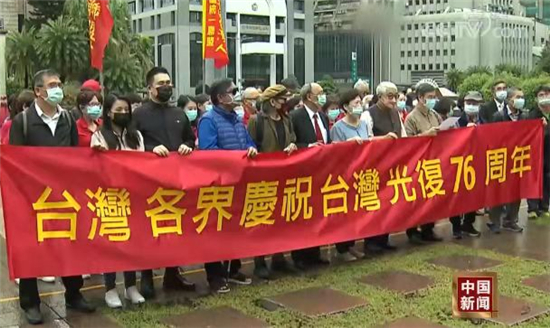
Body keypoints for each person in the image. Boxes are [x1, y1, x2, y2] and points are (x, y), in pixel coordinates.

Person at [9, 69, 95, 325]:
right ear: (38, 91)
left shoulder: (68, 119)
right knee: (32, 249)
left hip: (64, 195)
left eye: (59, 84)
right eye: (53, 85)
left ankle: (74, 292)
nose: (58, 88)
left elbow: (73, 158)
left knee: (69, 244)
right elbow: (15, 163)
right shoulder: (22, 122)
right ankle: (31, 302)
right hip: (33, 199)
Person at [133, 67, 196, 299]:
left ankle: (173, 274)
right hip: (150, 183)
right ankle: (147, 276)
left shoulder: (177, 113)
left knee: (176, 228)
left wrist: (188, 146)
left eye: (169, 82)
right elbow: (131, 143)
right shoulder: (139, 114)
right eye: (161, 83)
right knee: (150, 228)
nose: (166, 87)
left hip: (177, 182)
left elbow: (190, 138)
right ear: (150, 87)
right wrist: (149, 150)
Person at [198, 78, 256, 293]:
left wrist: (250, 150)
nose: (237, 94)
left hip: (238, 183)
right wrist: (234, 158)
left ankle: (233, 270)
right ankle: (215, 275)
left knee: (234, 228)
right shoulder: (208, 120)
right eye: (233, 91)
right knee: (214, 229)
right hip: (217, 185)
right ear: (221, 98)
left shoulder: (236, 119)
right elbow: (208, 152)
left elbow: (248, 142)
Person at [90, 94, 146, 308]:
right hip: (110, 197)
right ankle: (110, 288)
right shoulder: (99, 136)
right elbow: (95, 168)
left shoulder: (137, 136)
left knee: (132, 242)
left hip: (132, 196)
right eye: (118, 109)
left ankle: (131, 286)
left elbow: (142, 164)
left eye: (126, 109)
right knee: (112, 243)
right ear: (108, 112)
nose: (123, 113)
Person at [247, 85, 298, 279]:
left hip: (284, 175)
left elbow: (292, 139)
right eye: (282, 99)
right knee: (261, 219)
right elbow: (250, 144)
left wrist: (292, 144)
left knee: (281, 218)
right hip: (263, 178)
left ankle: (279, 257)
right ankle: (259, 261)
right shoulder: (256, 121)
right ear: (272, 101)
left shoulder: (286, 119)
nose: (285, 102)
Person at [289, 82, 331, 270]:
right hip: (302, 172)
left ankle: (315, 252)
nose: (323, 96)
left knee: (317, 212)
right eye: (320, 93)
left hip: (321, 171)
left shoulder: (322, 116)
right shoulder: (295, 116)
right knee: (302, 213)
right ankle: (300, 256)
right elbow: (291, 143)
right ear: (309, 97)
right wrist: (307, 147)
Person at [330, 89, 373, 262]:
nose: (359, 105)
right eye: (355, 103)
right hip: (344, 176)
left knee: (357, 212)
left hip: (362, 174)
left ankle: (351, 245)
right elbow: (333, 152)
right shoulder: (338, 128)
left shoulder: (363, 124)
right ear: (346, 107)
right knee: (344, 213)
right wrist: (346, 145)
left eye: (360, 102)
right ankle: (341, 249)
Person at [364, 82, 401, 255]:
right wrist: (384, 139)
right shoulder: (368, 115)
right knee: (374, 203)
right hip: (374, 166)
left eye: (395, 96)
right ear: (380, 97)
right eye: (390, 97)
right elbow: (367, 140)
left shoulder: (396, 113)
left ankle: (384, 238)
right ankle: (371, 241)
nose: (394, 100)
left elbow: (404, 137)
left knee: (389, 202)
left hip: (393, 165)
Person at [403, 83, 443, 244]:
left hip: (434, 160)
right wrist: (426, 135)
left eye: (434, 97)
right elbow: (406, 142)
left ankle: (428, 229)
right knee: (417, 198)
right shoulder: (411, 117)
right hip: (418, 163)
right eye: (430, 98)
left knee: (432, 196)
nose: (433, 100)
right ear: (420, 98)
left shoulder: (435, 115)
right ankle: (412, 231)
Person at [485, 87, 526, 234]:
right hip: (501, 158)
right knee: (498, 190)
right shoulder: (498, 116)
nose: (521, 100)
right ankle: (494, 221)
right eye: (518, 97)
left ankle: (511, 220)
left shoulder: (524, 116)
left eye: (522, 97)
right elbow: (493, 137)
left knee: (516, 191)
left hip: (517, 158)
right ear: (509, 100)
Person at [449, 91, 484, 239]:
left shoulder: (483, 120)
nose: (471, 106)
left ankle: (468, 223)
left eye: (475, 103)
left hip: (476, 162)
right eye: (469, 103)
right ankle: (456, 225)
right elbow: (448, 140)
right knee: (456, 195)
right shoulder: (455, 120)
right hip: (457, 163)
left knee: (473, 194)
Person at [526, 85, 550, 220]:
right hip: (535, 152)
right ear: (536, 98)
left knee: (547, 179)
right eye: (541, 95)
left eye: (547, 94)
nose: (545, 97)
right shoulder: (532, 114)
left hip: (548, 152)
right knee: (535, 178)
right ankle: (533, 208)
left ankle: (544, 206)